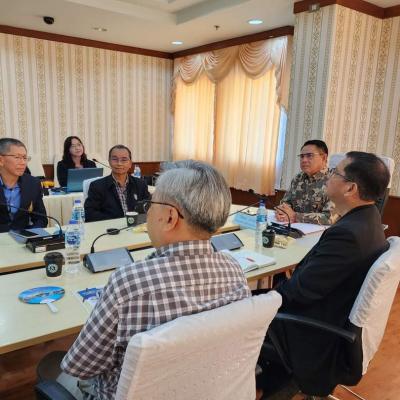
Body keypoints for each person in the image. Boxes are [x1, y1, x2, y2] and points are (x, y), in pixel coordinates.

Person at [61, 160, 251, 399]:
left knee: (55, 370)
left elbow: (80, 366)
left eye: (150, 203)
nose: (147, 211)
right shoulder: (234, 270)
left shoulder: (128, 284)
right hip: (207, 388)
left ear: (170, 217)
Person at [258, 151, 391, 397]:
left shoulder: (348, 234)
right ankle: (272, 378)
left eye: (335, 172)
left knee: (237, 311)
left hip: (312, 330)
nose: (329, 175)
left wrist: (261, 302)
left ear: (350, 188)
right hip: (330, 315)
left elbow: (301, 292)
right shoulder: (368, 220)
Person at [84, 144, 150, 222]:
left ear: (130, 163)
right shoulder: (97, 186)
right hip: (109, 227)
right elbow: (90, 214)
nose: (119, 163)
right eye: (115, 159)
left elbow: (148, 208)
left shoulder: (140, 184)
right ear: (109, 162)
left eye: (124, 160)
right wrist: (117, 222)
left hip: (136, 226)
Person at [276, 139, 334, 225]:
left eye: (309, 156)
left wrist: (295, 216)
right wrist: (282, 212)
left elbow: (329, 217)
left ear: (324, 158)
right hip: (293, 227)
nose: (304, 160)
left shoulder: (335, 181)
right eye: (302, 156)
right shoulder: (298, 178)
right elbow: (285, 203)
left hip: (320, 231)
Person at [0, 138, 47, 233]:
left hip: (23, 237)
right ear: (1, 160)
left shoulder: (33, 183)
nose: (23, 162)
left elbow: (41, 218)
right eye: (17, 157)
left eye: (25, 158)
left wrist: (31, 234)